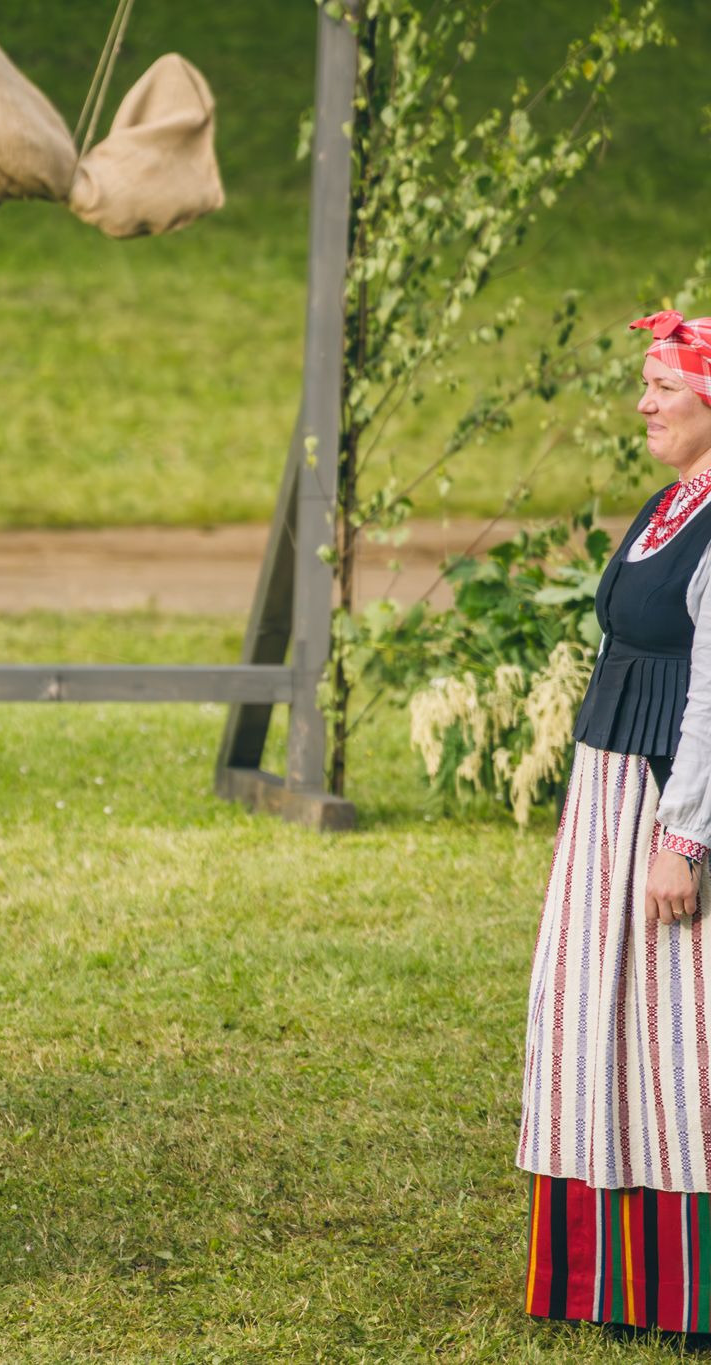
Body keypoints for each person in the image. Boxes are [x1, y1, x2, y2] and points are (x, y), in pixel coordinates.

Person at [521, 311, 711, 1332]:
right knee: (596, 1014)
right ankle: (600, 1278)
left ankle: (681, 1291)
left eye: (664, 388)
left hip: (668, 804)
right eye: (645, 385)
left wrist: (682, 839)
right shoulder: (668, 503)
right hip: (612, 803)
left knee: (676, 1033)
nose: (642, 405)